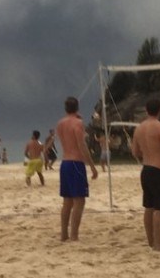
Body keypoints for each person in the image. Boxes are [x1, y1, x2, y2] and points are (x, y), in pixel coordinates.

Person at [131, 98, 160, 251]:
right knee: (159, 209)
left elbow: (134, 151)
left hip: (146, 170)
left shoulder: (139, 128)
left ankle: (151, 241)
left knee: (148, 207)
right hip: (159, 170)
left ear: (146, 110)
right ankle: (158, 244)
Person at [56, 96, 99, 242]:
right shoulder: (78, 123)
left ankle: (64, 234)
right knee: (79, 201)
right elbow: (82, 145)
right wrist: (92, 167)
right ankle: (74, 235)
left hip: (65, 163)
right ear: (77, 107)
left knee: (67, 201)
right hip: (76, 163)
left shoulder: (61, 123)